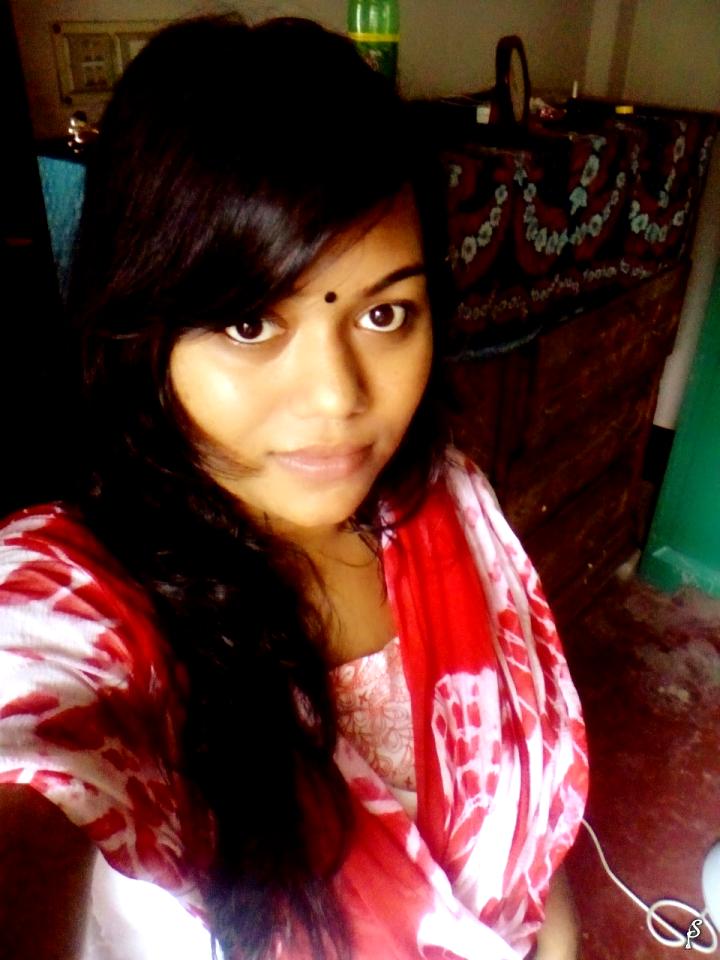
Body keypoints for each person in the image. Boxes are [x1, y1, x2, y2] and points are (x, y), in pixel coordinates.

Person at [0, 15, 588, 960]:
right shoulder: (88, 595)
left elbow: (529, 849)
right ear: (140, 329)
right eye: (249, 325)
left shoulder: (446, 504)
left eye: (385, 314)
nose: (338, 398)